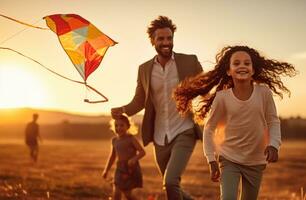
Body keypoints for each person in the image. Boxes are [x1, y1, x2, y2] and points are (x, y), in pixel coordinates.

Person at [174, 45, 297, 200]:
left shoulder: (264, 93)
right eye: (236, 63)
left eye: (247, 63)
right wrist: (211, 159)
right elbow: (209, 128)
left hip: (256, 160)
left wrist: (274, 144)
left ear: (253, 70)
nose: (242, 66)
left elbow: (273, 121)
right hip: (229, 158)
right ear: (228, 71)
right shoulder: (222, 97)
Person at [111, 16, 203, 200]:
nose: (166, 42)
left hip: (184, 130)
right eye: (161, 39)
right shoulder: (144, 69)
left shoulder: (189, 61)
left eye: (169, 38)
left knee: (170, 182)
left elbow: (206, 85)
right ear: (153, 41)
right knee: (171, 187)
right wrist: (121, 109)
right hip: (159, 137)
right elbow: (139, 101)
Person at [102, 115, 145, 200]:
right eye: (116, 126)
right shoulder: (114, 140)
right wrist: (106, 170)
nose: (119, 128)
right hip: (120, 168)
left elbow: (142, 152)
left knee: (127, 194)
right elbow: (112, 157)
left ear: (128, 126)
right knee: (116, 192)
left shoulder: (131, 139)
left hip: (130, 169)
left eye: (122, 125)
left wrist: (134, 159)